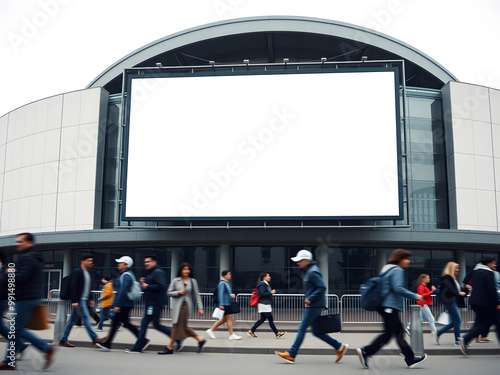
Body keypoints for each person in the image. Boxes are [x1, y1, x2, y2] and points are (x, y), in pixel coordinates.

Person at [356, 249, 427, 369]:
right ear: (400, 259)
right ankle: (366, 351)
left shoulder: (387, 270)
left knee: (396, 334)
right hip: (390, 307)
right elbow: (398, 288)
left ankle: (410, 359)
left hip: (385, 306)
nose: (408, 262)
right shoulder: (397, 270)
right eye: (406, 259)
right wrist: (416, 296)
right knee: (392, 334)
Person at [275, 250, 348, 364]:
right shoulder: (309, 271)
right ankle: (339, 347)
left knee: (302, 328)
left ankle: (292, 354)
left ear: (306, 261)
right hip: (315, 305)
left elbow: (322, 287)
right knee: (317, 332)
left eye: (299, 261)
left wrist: (310, 298)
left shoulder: (313, 272)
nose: (298, 263)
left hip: (315, 305)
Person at [0, 233, 57, 370]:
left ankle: (44, 349)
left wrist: (9, 272)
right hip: (29, 297)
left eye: (20, 242)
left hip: (25, 298)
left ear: (29, 243)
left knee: (15, 330)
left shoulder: (28, 257)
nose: (17, 244)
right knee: (17, 330)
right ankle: (12, 359)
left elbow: (22, 277)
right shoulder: (33, 257)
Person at [125, 255, 174, 354]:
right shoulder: (152, 272)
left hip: (155, 303)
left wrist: (147, 286)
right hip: (151, 303)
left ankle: (175, 335)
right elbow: (152, 285)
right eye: (145, 262)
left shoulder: (158, 272)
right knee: (149, 325)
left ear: (154, 262)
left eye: (148, 262)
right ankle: (138, 347)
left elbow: (161, 286)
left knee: (153, 325)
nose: (146, 264)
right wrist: (144, 283)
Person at [59, 254, 106, 348]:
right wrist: (74, 300)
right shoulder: (77, 272)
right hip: (80, 300)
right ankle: (95, 338)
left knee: (72, 321)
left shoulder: (88, 273)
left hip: (84, 299)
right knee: (85, 318)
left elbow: (88, 287)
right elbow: (73, 286)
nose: (91, 262)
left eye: (91, 261)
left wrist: (91, 298)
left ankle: (63, 339)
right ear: (82, 261)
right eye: (89, 260)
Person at [159, 262, 206, 354]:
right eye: (184, 269)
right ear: (181, 270)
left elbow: (197, 295)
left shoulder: (193, 281)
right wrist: (178, 292)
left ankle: (169, 348)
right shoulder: (176, 280)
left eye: (188, 269)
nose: (186, 271)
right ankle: (200, 340)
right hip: (177, 306)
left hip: (186, 306)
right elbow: (168, 293)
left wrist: (200, 307)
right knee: (182, 326)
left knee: (176, 325)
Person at [458, 257, 500, 355]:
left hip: (475, 301)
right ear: (488, 264)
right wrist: (497, 303)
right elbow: (491, 289)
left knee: (483, 323)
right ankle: (465, 339)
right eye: (493, 264)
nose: (495, 265)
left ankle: (465, 339)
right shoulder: (488, 273)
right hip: (487, 303)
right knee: (493, 323)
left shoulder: (476, 272)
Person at [97, 256, 140, 351]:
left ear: (126, 265)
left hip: (124, 304)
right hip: (125, 303)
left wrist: (118, 304)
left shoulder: (126, 275)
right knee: (125, 324)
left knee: (116, 323)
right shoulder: (125, 274)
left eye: (120, 262)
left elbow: (123, 291)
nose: (118, 264)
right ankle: (142, 340)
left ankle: (108, 344)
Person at [247, 272, 286, 339]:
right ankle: (277, 333)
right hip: (264, 304)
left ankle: (251, 331)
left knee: (262, 319)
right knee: (270, 319)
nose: (269, 277)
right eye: (268, 276)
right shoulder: (262, 285)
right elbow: (262, 294)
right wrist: (270, 292)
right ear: (264, 277)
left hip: (265, 304)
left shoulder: (265, 284)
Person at [436, 262, 466, 346]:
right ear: (452, 268)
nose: (458, 270)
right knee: (458, 321)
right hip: (450, 302)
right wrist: (459, 293)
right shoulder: (447, 277)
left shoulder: (451, 278)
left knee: (454, 321)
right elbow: (449, 289)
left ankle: (438, 332)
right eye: (456, 268)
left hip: (452, 301)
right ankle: (457, 341)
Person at [463, 265, 494, 343]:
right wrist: (472, 288)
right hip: (483, 300)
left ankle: (478, 336)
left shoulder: (488, 273)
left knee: (480, 319)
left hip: (479, 300)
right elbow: (465, 283)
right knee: (486, 320)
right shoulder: (478, 273)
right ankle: (473, 336)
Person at [206, 270, 241, 340]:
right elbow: (220, 294)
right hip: (225, 304)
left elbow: (224, 293)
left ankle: (211, 330)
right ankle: (231, 335)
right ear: (224, 275)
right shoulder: (222, 283)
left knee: (225, 319)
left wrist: (231, 295)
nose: (230, 275)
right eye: (229, 274)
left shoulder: (226, 283)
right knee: (229, 319)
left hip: (227, 303)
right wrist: (221, 304)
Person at [408, 274, 438, 343]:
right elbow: (422, 295)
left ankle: (409, 327)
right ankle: (435, 333)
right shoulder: (421, 286)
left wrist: (431, 291)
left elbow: (424, 295)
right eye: (428, 278)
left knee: (421, 319)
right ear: (423, 279)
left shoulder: (423, 286)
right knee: (431, 319)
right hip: (423, 304)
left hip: (423, 304)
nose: (429, 279)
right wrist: (432, 291)